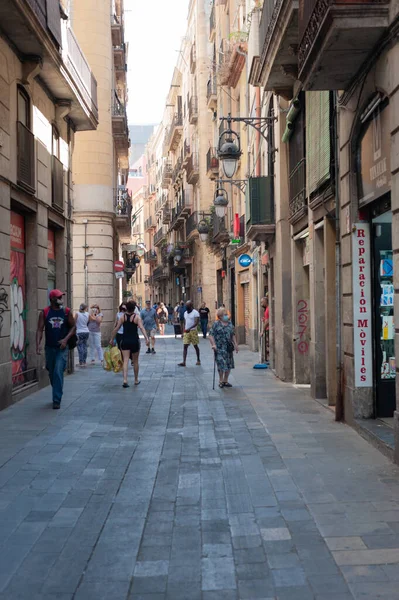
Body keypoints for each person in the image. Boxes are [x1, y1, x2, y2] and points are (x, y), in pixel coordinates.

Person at [36, 289, 76, 409]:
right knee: (52, 371)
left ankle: (56, 399)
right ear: (52, 299)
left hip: (61, 348)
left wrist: (65, 340)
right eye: (58, 297)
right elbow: (39, 329)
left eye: (61, 297)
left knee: (58, 371)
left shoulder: (66, 312)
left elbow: (73, 326)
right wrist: (37, 344)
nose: (61, 299)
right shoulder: (45, 312)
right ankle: (57, 389)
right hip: (49, 348)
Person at [109, 301, 149, 387]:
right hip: (134, 340)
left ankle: (125, 380)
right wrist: (146, 338)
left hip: (125, 340)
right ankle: (136, 380)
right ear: (134, 308)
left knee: (125, 360)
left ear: (126, 308)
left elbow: (116, 328)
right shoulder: (137, 317)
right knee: (135, 361)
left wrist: (112, 339)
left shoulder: (123, 317)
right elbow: (142, 328)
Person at [209, 307, 238, 388]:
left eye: (227, 315)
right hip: (219, 348)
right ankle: (220, 380)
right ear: (220, 316)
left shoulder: (230, 324)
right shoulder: (216, 324)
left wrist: (235, 344)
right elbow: (210, 335)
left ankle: (226, 380)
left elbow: (233, 335)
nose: (227, 316)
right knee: (221, 364)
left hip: (228, 348)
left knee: (228, 364)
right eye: (225, 315)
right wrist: (213, 345)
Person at [178, 300, 201, 367]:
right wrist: (183, 331)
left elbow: (196, 323)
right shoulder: (185, 313)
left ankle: (198, 359)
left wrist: (189, 329)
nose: (186, 307)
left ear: (191, 306)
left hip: (193, 331)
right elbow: (185, 323)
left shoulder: (195, 313)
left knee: (195, 346)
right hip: (186, 331)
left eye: (187, 306)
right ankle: (184, 362)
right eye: (186, 305)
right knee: (185, 346)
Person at [261, 295, 269, 362]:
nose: (261, 304)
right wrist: (264, 319)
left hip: (268, 329)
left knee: (268, 344)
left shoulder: (268, 309)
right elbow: (266, 319)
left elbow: (267, 321)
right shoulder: (266, 309)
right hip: (267, 329)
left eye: (262, 302)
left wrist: (262, 331)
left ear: (266, 302)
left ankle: (268, 359)